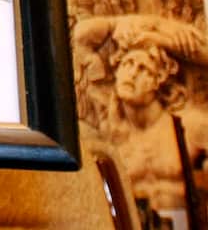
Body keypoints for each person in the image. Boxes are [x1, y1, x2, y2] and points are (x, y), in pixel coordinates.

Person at [72, 13, 208, 210]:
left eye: (143, 68)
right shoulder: (108, 134)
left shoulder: (190, 127)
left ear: (159, 80)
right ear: (117, 71)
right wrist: (118, 24)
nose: (132, 74)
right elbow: (82, 32)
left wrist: (162, 39)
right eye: (127, 64)